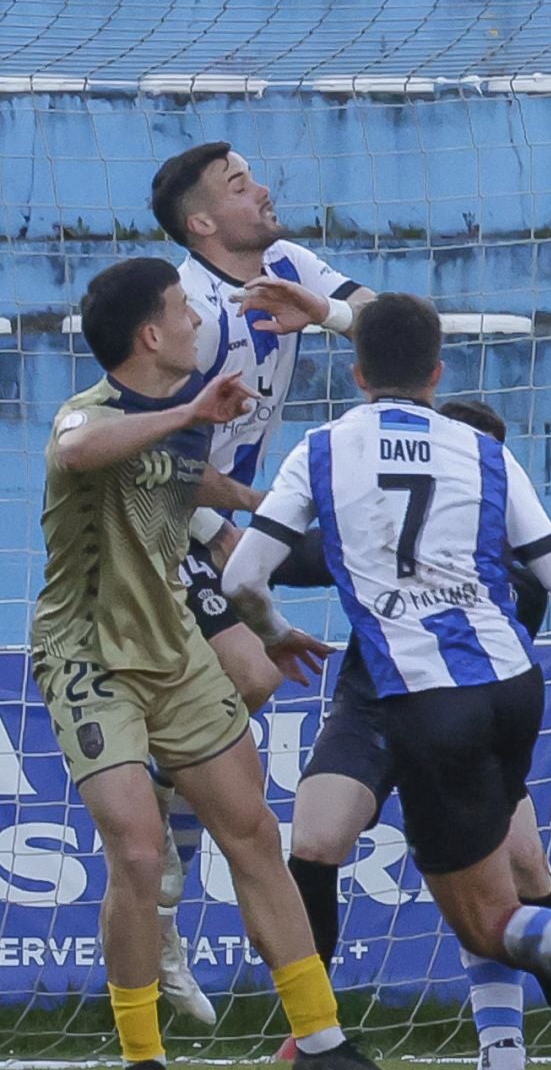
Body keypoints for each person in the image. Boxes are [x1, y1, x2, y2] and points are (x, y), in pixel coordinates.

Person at [222, 293, 551, 1070]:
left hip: (426, 700)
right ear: (437, 372)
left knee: (489, 913)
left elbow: (249, 575)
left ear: (356, 371)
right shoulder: (484, 459)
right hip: (505, 689)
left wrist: (272, 632)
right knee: (337, 843)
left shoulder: (327, 449)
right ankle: (349, 1037)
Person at [32, 257, 370, 1069]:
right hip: (88, 653)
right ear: (151, 335)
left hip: (174, 651)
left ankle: (323, 1042)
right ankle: (142, 1055)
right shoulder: (88, 413)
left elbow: (197, 484)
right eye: (184, 310)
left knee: (254, 831)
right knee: (141, 853)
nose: (196, 321)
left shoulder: (187, 424)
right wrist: (188, 411)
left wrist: (271, 604)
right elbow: (81, 454)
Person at [273, 398, 551, 1066]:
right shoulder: (384, 530)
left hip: (460, 718)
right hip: (374, 710)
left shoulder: (517, 579)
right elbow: (286, 558)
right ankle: (311, 1031)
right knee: (316, 842)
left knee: (521, 866)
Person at [147, 141, 377, 1023]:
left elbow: (390, 320)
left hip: (224, 521)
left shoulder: (283, 263)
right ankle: (163, 896)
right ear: (202, 223)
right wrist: (225, 531)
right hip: (167, 522)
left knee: (241, 689)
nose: (264, 187)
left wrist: (325, 310)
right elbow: (158, 451)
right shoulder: (188, 313)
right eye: (240, 185)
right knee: (248, 677)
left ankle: (163, 864)